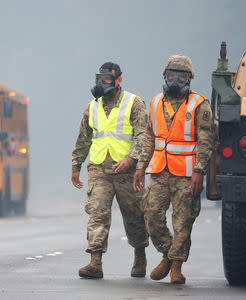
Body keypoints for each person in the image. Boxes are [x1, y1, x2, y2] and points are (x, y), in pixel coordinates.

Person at [134, 55, 214, 284]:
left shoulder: (199, 104)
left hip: (187, 175)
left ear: (189, 79)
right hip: (159, 171)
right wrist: (141, 166)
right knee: (151, 214)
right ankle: (167, 254)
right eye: (171, 75)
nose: (175, 80)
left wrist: (200, 170)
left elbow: (206, 141)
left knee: (183, 221)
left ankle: (176, 266)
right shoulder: (156, 102)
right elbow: (149, 138)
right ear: (164, 76)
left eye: (181, 76)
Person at [71, 62, 153, 279]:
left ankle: (140, 254)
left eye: (107, 79)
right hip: (99, 169)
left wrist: (132, 160)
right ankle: (95, 262)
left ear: (119, 80)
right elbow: (84, 139)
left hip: (126, 170)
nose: (102, 83)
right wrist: (76, 165)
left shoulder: (134, 103)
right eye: (100, 79)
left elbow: (144, 136)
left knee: (134, 216)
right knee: (97, 212)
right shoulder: (92, 106)